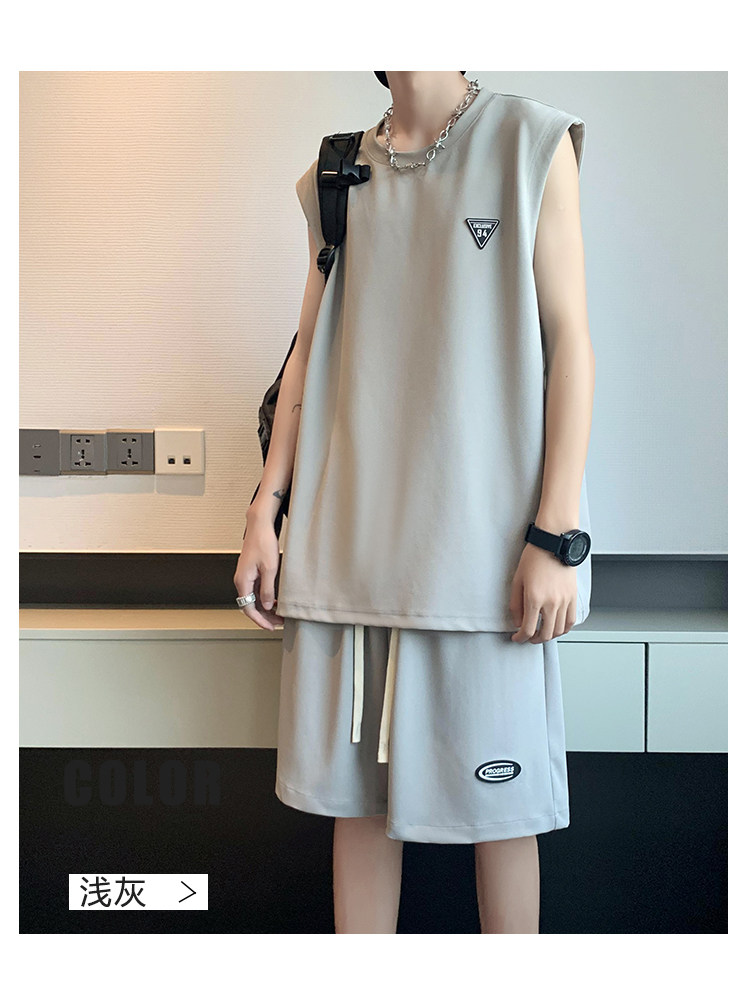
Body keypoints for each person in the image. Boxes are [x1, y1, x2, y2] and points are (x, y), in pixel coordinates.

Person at [235, 71, 595, 933]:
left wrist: (557, 534)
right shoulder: (334, 173)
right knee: (357, 811)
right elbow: (307, 354)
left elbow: (570, 343)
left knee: (504, 817)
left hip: (487, 560)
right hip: (347, 545)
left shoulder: (530, 142)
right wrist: (263, 511)